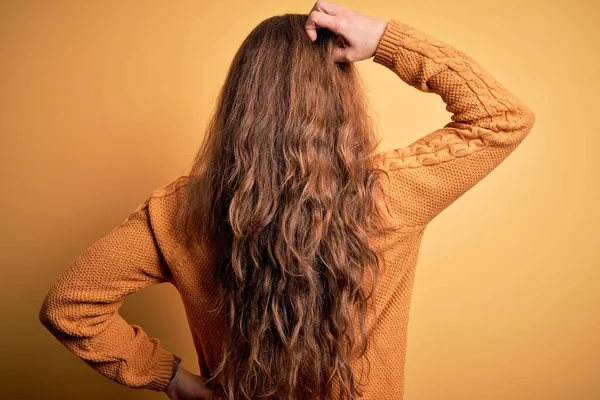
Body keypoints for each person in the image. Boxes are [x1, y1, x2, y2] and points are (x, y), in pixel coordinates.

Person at [38, 1, 536, 399]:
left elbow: (69, 306)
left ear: (238, 101)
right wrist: (384, 40)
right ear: (341, 98)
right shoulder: (388, 194)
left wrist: (171, 379)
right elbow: (503, 117)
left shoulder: (179, 213)